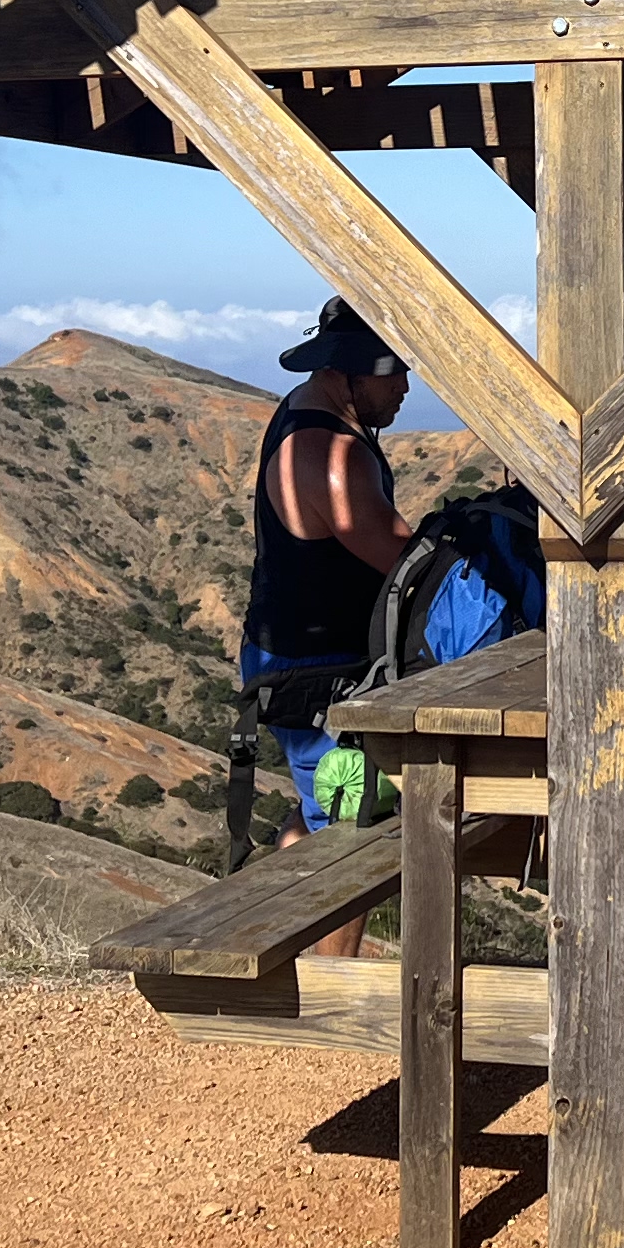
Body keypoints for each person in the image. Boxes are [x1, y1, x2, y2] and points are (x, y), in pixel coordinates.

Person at [227, 297, 415, 892]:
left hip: (293, 654)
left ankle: (287, 943)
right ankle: (328, 982)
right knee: (355, 823)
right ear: (341, 372)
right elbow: (404, 565)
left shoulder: (309, 412)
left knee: (326, 806)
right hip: (315, 669)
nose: (404, 386)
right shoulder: (329, 454)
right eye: (389, 372)